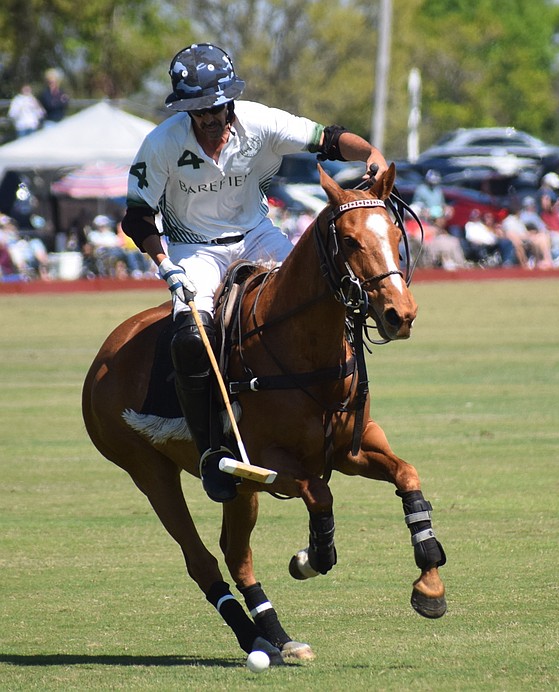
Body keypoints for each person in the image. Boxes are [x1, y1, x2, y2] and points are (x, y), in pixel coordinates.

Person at [120, 43, 388, 503]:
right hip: (195, 250)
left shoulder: (261, 121)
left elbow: (328, 137)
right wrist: (165, 266)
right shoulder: (162, 143)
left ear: (230, 100)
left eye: (215, 107)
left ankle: (344, 406)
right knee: (189, 338)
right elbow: (137, 216)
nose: (208, 118)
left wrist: (371, 155)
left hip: (257, 234)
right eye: (197, 109)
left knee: (327, 293)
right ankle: (210, 451)